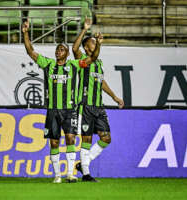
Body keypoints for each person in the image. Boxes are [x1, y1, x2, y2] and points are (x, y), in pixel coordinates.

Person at [22, 20, 100, 183]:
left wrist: (96, 42)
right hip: (52, 110)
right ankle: (57, 175)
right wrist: (25, 33)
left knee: (71, 139)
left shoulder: (74, 65)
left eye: (62, 49)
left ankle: (70, 174)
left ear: (67, 54)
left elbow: (92, 58)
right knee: (54, 142)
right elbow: (30, 51)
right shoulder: (48, 64)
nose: (58, 51)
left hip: (70, 110)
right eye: (57, 49)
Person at [72, 17, 124, 182]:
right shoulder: (82, 61)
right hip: (85, 106)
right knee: (86, 139)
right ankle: (86, 174)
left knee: (106, 138)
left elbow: (101, 82)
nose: (95, 44)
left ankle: (83, 164)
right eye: (93, 43)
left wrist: (115, 96)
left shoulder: (99, 63)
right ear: (87, 47)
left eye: (96, 43)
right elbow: (74, 48)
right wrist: (85, 29)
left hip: (98, 107)